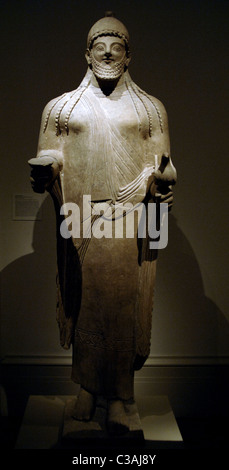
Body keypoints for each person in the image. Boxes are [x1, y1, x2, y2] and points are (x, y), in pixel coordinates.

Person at [29, 12, 177, 435]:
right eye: (100, 46)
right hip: (82, 219)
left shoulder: (150, 110)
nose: (108, 53)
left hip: (131, 220)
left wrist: (166, 178)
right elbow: (51, 154)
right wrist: (46, 170)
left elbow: (164, 164)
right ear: (87, 54)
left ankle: (122, 396)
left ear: (128, 55)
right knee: (86, 301)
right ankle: (89, 389)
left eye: (116, 46)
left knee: (123, 304)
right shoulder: (61, 109)